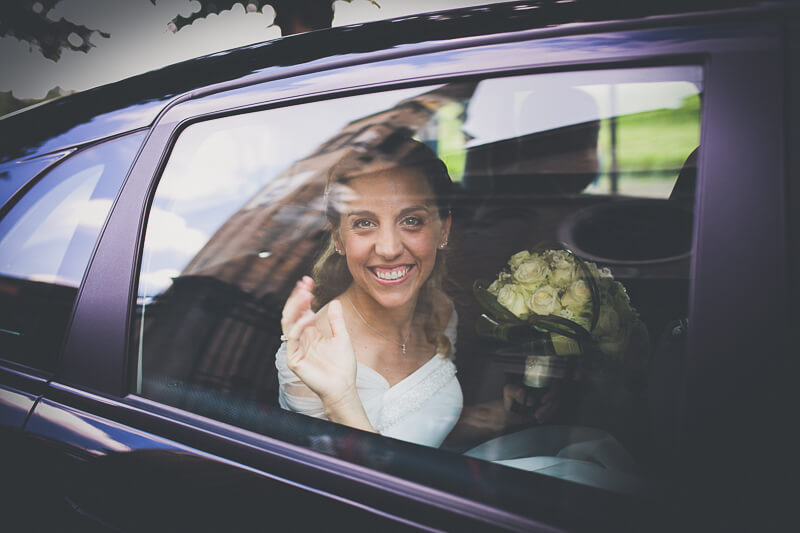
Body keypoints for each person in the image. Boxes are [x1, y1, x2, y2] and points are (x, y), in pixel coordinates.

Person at [275, 137, 462, 447]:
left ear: (443, 230)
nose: (389, 249)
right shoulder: (312, 354)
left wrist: (496, 416)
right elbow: (334, 487)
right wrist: (341, 400)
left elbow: (422, 432)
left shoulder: (442, 311)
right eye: (364, 223)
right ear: (338, 237)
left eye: (412, 221)